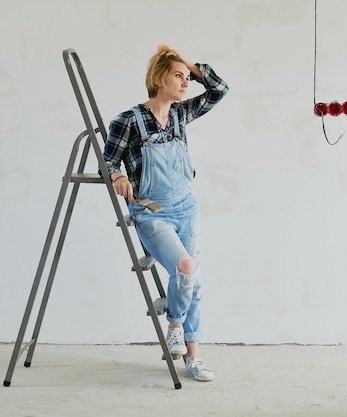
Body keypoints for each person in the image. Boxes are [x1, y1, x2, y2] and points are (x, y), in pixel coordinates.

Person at [103, 45, 229, 382]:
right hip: (151, 212)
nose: (186, 82)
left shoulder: (179, 114)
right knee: (185, 267)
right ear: (160, 78)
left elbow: (219, 90)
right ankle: (174, 324)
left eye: (188, 77)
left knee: (192, 281)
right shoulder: (128, 120)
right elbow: (108, 161)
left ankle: (193, 357)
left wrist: (189, 63)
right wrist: (116, 175)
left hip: (185, 206)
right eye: (179, 76)